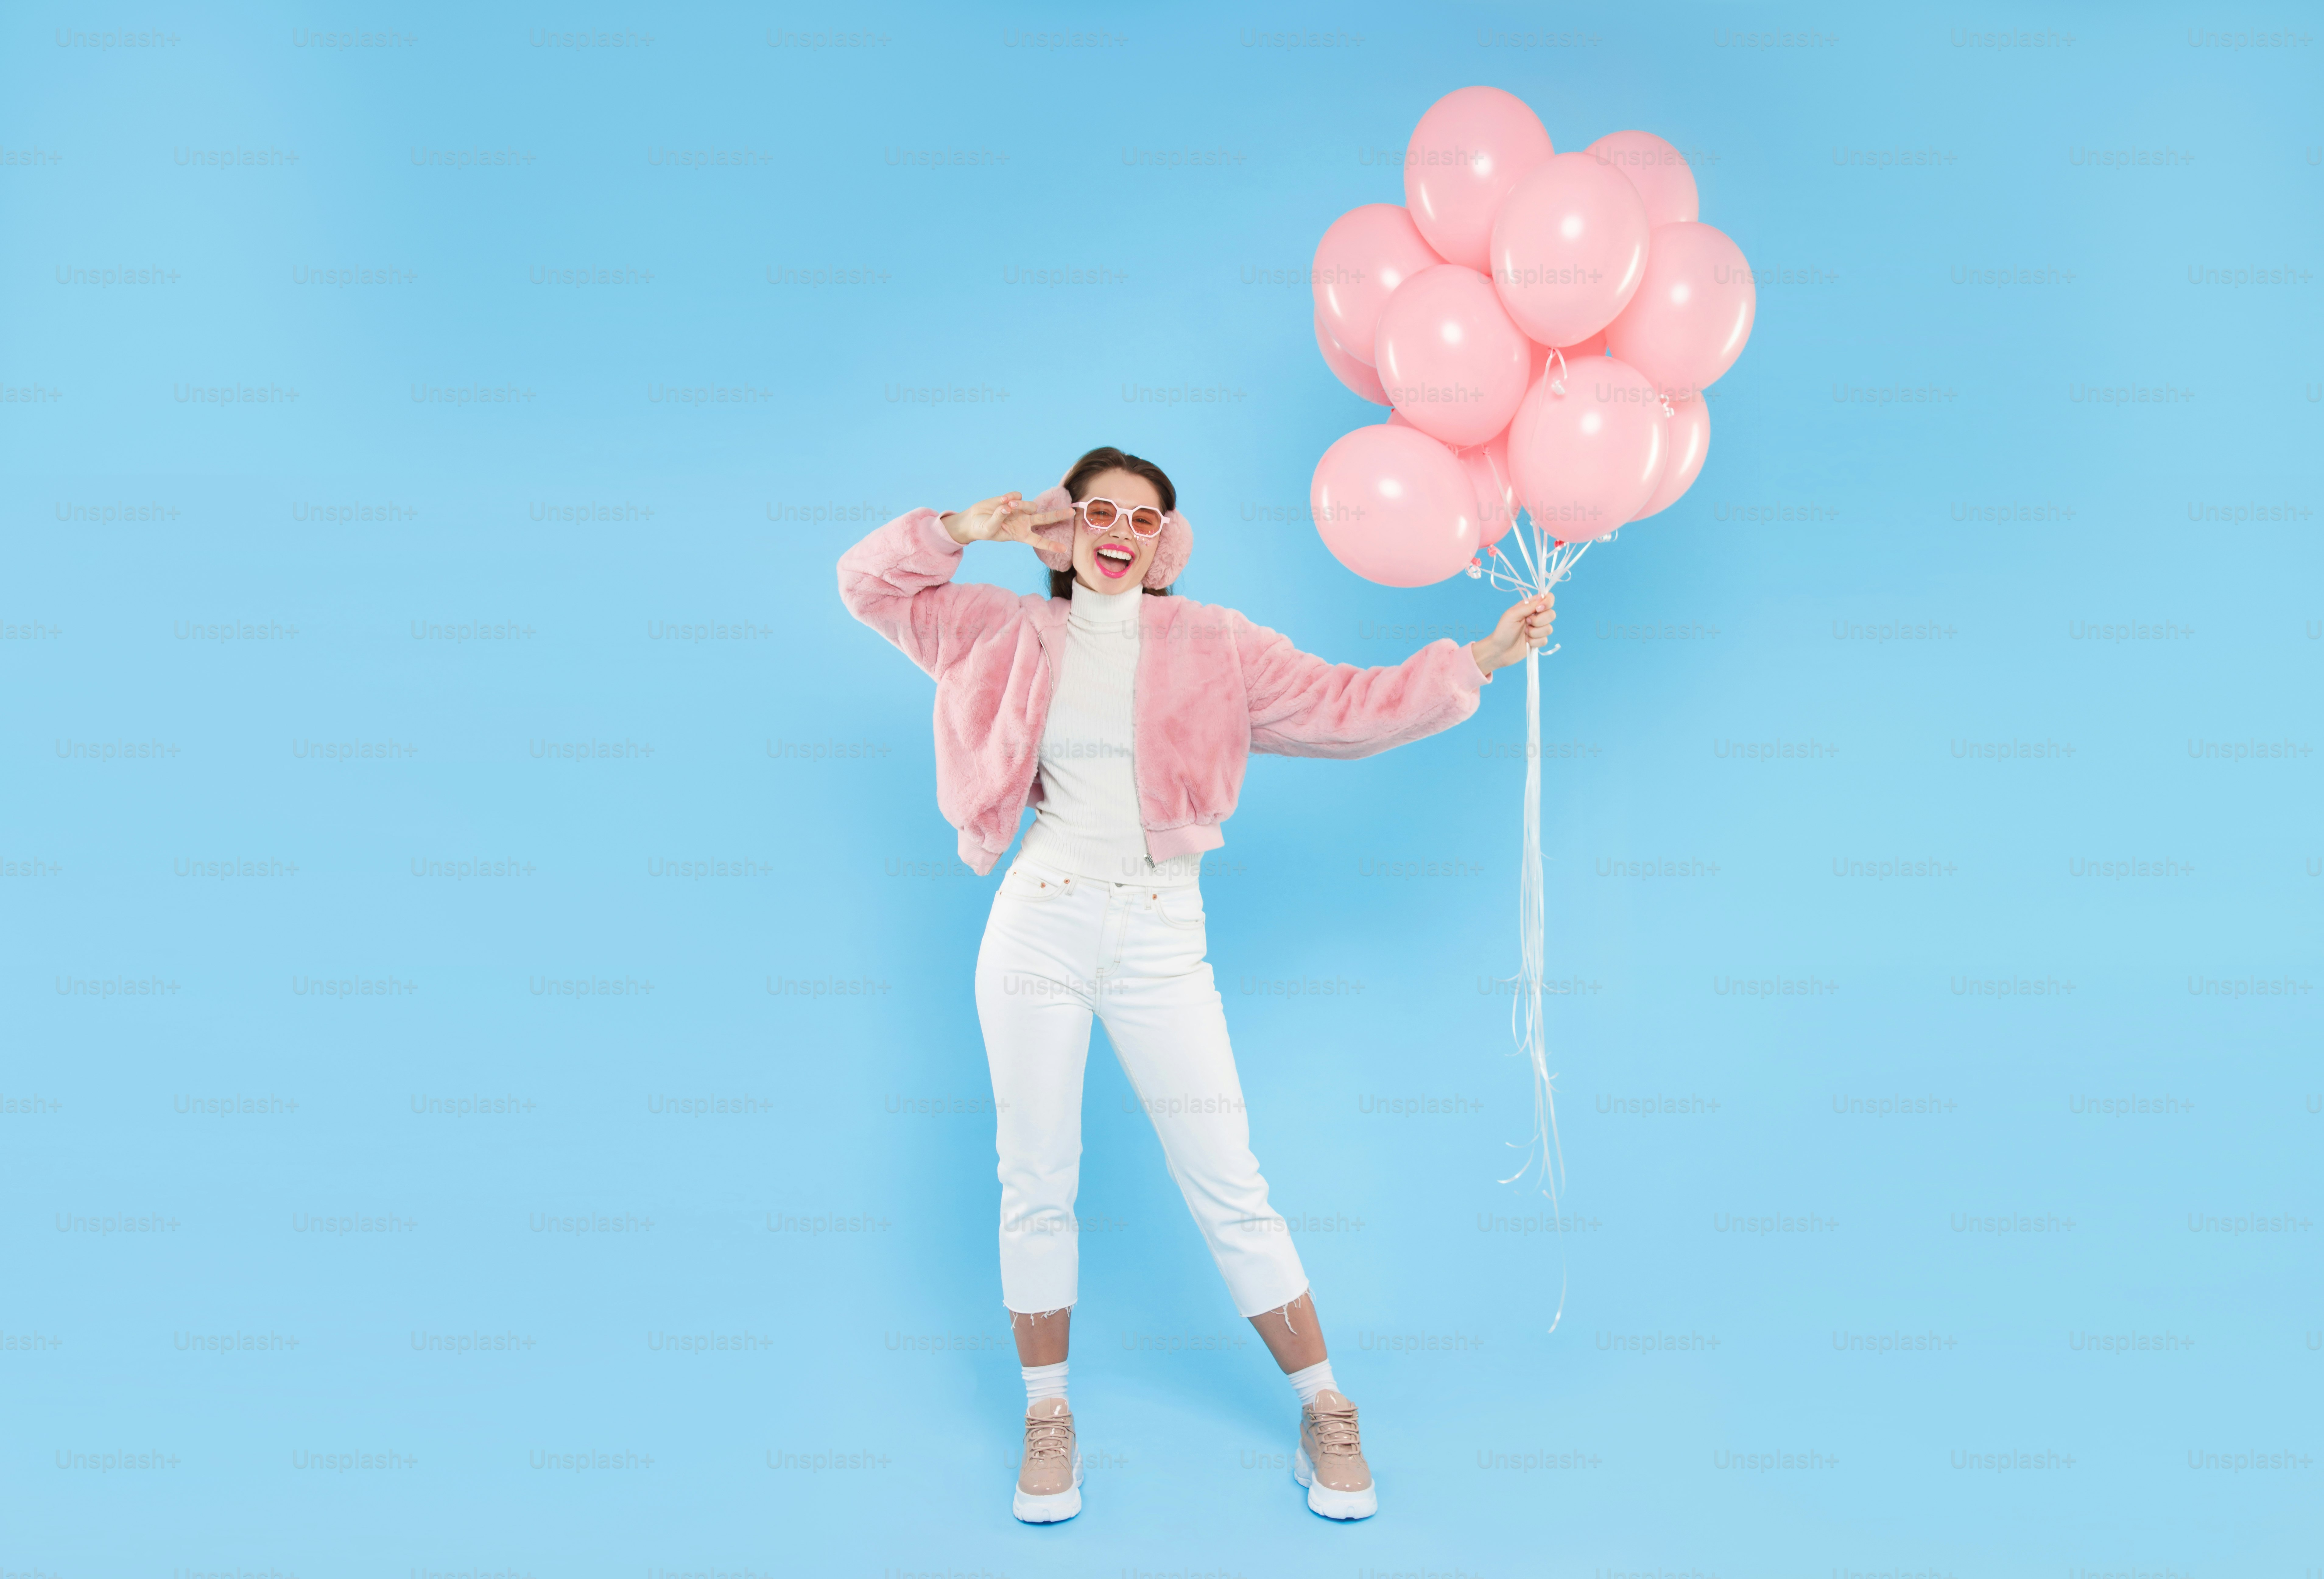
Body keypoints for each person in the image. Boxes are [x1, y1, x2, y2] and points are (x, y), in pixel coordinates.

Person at [837, 446, 1553, 1524]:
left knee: (1229, 1176)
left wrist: (1481, 660)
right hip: (1039, 921)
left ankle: (1326, 1405)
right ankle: (1046, 1418)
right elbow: (868, 584)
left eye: (1143, 517)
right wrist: (958, 526)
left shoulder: (1214, 642)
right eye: (1098, 512)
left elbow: (1348, 708)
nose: (1119, 531)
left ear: (1164, 544)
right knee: (1036, 1173)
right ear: (1063, 529)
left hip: (1163, 932)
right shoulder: (996, 627)